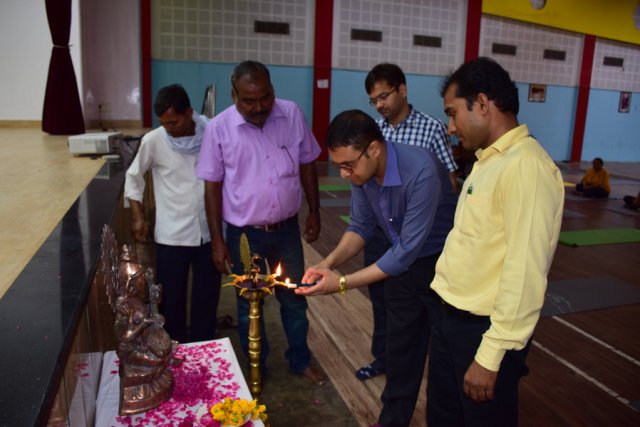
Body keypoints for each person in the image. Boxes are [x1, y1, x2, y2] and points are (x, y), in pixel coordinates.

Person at [295, 110, 457, 426]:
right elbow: (360, 226)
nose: (344, 175)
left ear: (373, 148)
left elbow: (407, 252)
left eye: (348, 165)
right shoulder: (363, 174)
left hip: (442, 267)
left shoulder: (420, 170)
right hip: (399, 263)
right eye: (339, 166)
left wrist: (340, 283)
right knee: (400, 352)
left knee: (444, 358)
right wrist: (325, 264)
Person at [427, 57, 564, 427]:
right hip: (449, 320)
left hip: (482, 332)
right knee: (444, 418)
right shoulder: (487, 161)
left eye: (453, 114)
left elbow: (524, 275)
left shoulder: (526, 167)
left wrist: (490, 357)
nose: (451, 128)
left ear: (483, 104)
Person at [196, 60, 326, 385]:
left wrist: (314, 209)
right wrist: (217, 239)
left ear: (273, 91)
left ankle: (300, 359)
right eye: (249, 101)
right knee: (247, 308)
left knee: (295, 298)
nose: (259, 107)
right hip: (243, 236)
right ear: (234, 96)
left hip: (286, 231)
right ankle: (257, 368)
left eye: (265, 97)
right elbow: (211, 186)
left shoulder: (292, 114)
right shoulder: (219, 128)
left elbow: (308, 161)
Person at [354, 63, 460, 382]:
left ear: (403, 89)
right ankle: (385, 358)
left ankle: (420, 362)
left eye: (384, 96)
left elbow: (449, 182)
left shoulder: (432, 129)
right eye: (374, 100)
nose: (380, 105)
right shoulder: (374, 133)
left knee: (419, 307)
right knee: (382, 301)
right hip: (380, 233)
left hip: (418, 238)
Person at [124, 84, 221, 343]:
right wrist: (137, 215)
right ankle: (175, 350)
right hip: (171, 236)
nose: (169, 128)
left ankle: (204, 346)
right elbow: (133, 177)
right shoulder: (154, 140)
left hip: (209, 233)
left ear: (189, 113)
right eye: (164, 123)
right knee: (171, 300)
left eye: (173, 122)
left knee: (207, 297)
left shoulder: (213, 131)